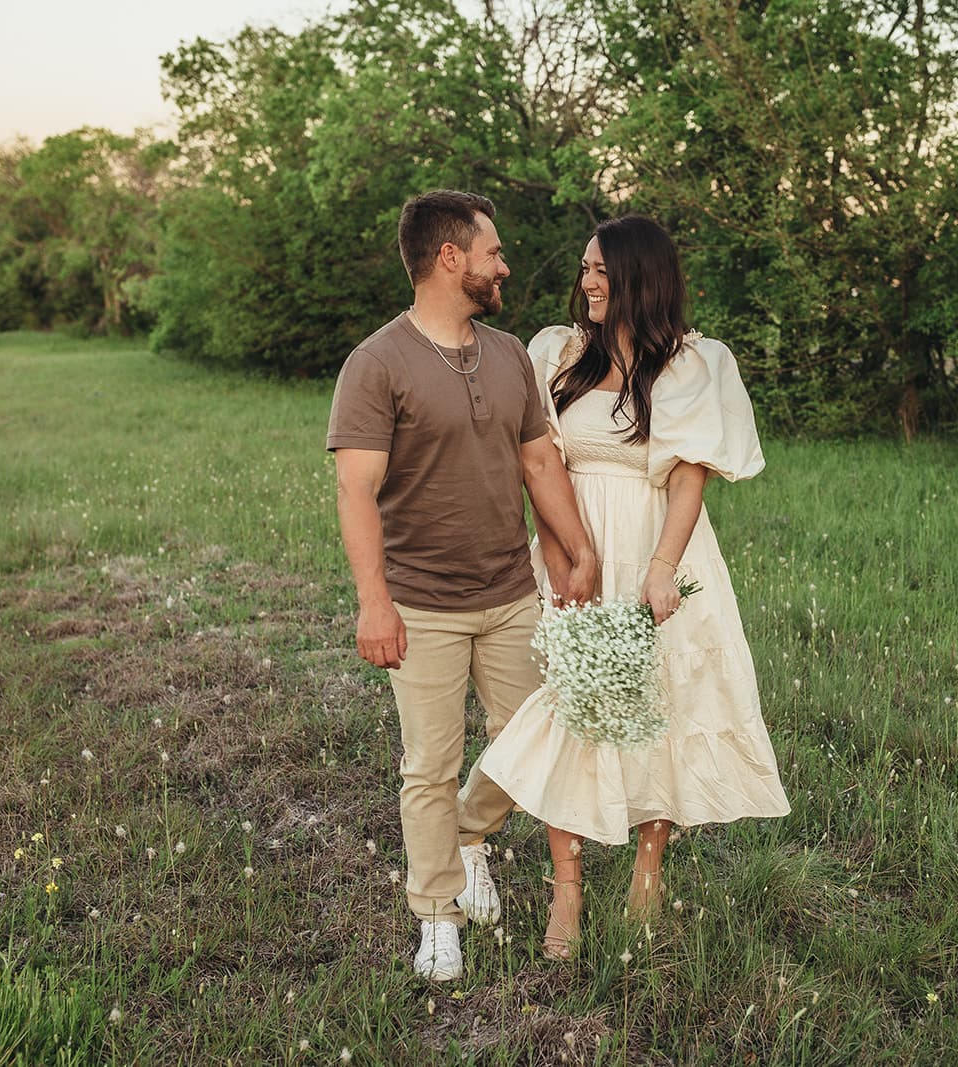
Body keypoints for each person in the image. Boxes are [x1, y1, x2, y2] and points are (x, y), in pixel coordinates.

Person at [478, 215, 790, 960]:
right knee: (569, 709)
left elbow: (689, 478)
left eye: (602, 270)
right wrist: (562, 554)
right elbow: (536, 463)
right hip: (575, 542)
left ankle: (648, 873)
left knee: (659, 705)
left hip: (658, 544)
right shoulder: (557, 353)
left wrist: (661, 566)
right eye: (585, 268)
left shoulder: (690, 363)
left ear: (638, 278)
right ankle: (567, 888)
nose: (587, 281)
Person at [326, 190, 598, 981]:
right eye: (492, 252)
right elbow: (355, 489)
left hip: (511, 590)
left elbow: (538, 460)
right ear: (451, 258)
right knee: (430, 764)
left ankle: (469, 832)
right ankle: (437, 912)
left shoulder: (508, 354)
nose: (503, 265)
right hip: (421, 602)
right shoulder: (377, 363)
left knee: (534, 738)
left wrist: (580, 551)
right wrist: (375, 603)